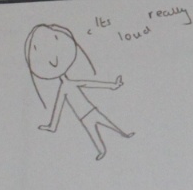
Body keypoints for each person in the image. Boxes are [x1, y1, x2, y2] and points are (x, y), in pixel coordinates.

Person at [24, 24, 132, 160]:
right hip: (85, 116)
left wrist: (112, 85)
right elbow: (58, 107)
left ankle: (123, 135)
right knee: (95, 133)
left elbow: (89, 84)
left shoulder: (69, 84)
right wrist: (52, 126)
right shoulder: (64, 88)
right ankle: (104, 149)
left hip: (91, 111)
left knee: (108, 124)